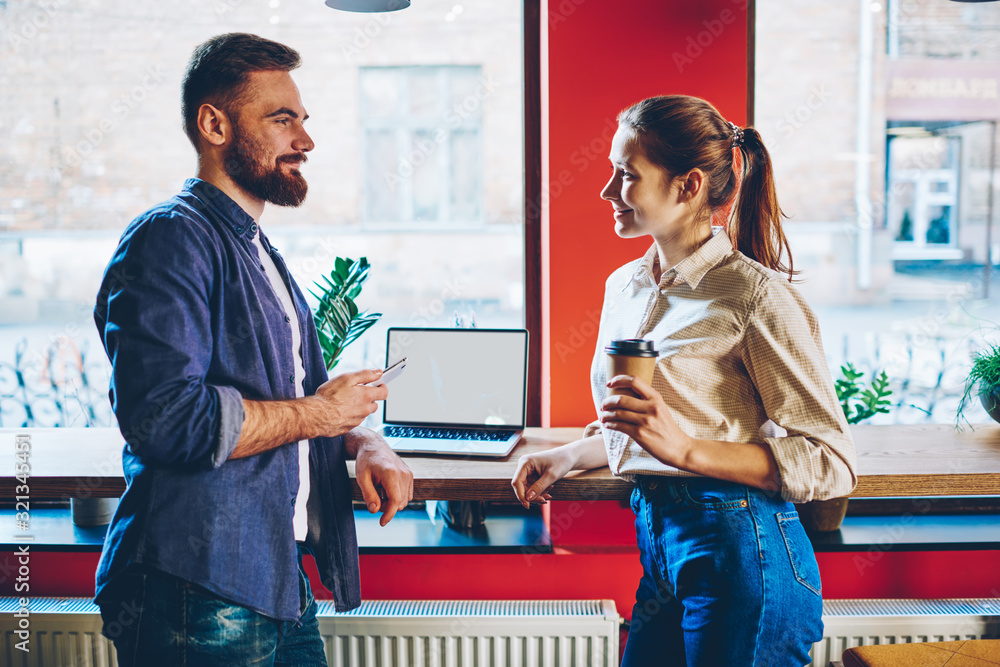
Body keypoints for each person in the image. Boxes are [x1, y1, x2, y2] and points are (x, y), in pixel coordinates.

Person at [92, 32, 413, 666]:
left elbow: (297, 401)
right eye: (282, 119)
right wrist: (323, 415)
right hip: (196, 587)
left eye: (304, 120)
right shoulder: (169, 241)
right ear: (214, 123)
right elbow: (167, 420)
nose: (305, 141)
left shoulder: (256, 247)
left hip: (275, 579)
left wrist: (365, 439)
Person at [511, 95, 857, 667]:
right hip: (661, 543)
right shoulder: (625, 286)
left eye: (625, 174)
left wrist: (689, 450)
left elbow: (830, 460)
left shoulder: (755, 297)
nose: (606, 191)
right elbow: (655, 428)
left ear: (688, 185)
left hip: (745, 553)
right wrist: (572, 454)